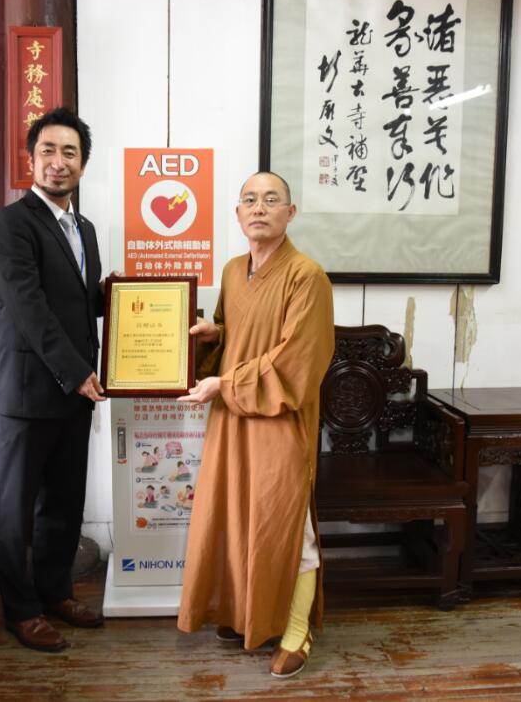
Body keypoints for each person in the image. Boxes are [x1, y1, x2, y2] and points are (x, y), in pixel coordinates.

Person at [176, 171, 334, 679]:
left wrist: (223, 383)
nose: (259, 207)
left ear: (291, 213)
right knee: (238, 517)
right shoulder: (231, 269)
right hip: (233, 420)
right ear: (238, 213)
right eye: (249, 200)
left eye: (272, 199)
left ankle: (296, 628)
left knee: (289, 526)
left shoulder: (306, 275)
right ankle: (249, 617)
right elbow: (238, 333)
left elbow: (298, 362)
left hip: (279, 419)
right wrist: (212, 331)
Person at [0, 107, 107, 653]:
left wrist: (143, 304)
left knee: (64, 502)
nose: (59, 163)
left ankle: (55, 590)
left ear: (83, 165)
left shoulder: (85, 229)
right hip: (26, 394)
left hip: (72, 394)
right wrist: (78, 371)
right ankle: (20, 609)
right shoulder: (11, 224)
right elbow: (28, 306)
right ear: (30, 159)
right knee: (15, 509)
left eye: (70, 153)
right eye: (49, 151)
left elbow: (81, 303)